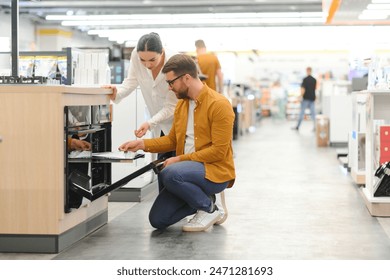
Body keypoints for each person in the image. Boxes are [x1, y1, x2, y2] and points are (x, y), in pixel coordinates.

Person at [118, 54, 236, 232]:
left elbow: (218, 152)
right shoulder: (182, 105)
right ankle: (197, 200)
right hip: (187, 172)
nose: (169, 88)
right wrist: (142, 144)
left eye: (171, 82)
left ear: (187, 78)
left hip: (214, 171)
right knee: (158, 220)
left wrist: (179, 160)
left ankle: (210, 207)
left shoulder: (219, 105)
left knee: (170, 172)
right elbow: (172, 140)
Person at [103, 32, 178, 190]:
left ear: (162, 52)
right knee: (163, 171)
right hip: (159, 125)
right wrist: (115, 91)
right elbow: (130, 82)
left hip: (179, 122)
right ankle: (168, 211)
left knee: (176, 172)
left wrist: (149, 123)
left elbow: (172, 107)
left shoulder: (173, 62)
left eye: (152, 60)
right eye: (143, 60)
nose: (147, 65)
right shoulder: (136, 57)